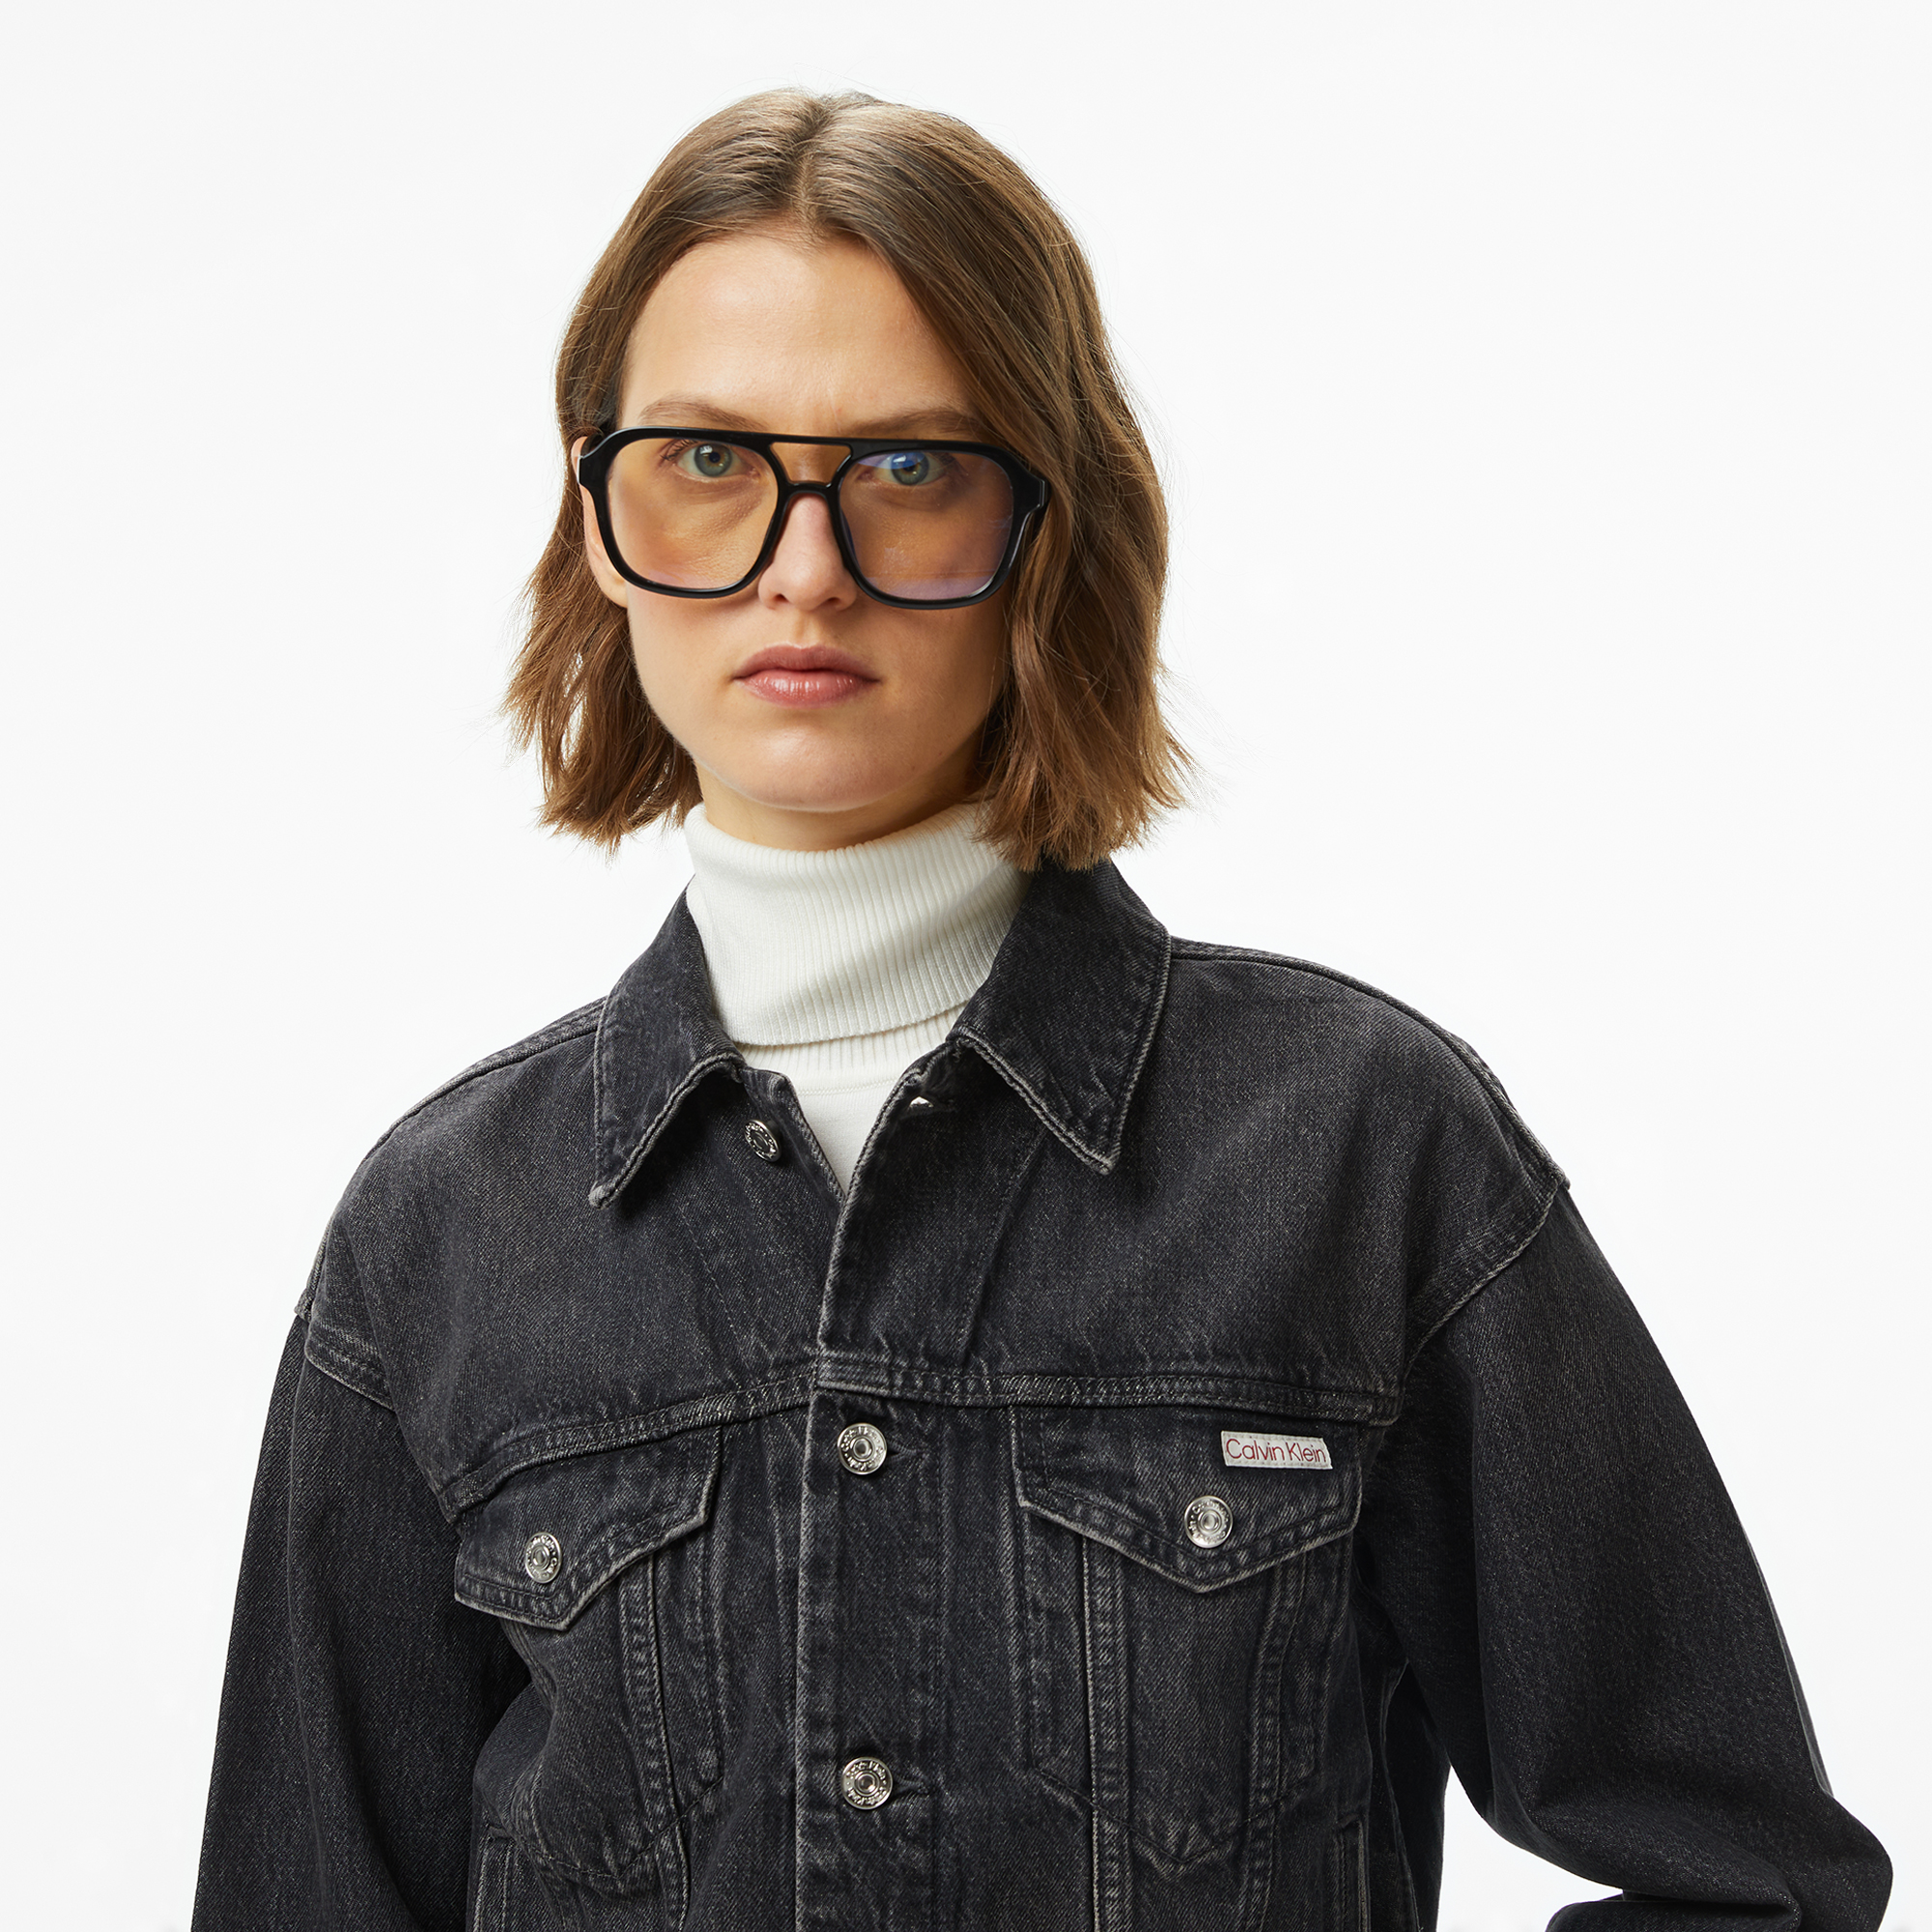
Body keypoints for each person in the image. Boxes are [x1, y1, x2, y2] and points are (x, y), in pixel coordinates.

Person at [191, 88, 1890, 1932]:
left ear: (1048, 527)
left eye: (912, 470)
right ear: (597, 519)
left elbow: (1751, 1883)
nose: (804, 566)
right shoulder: (440, 1236)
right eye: (709, 457)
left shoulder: (1364, 1152)